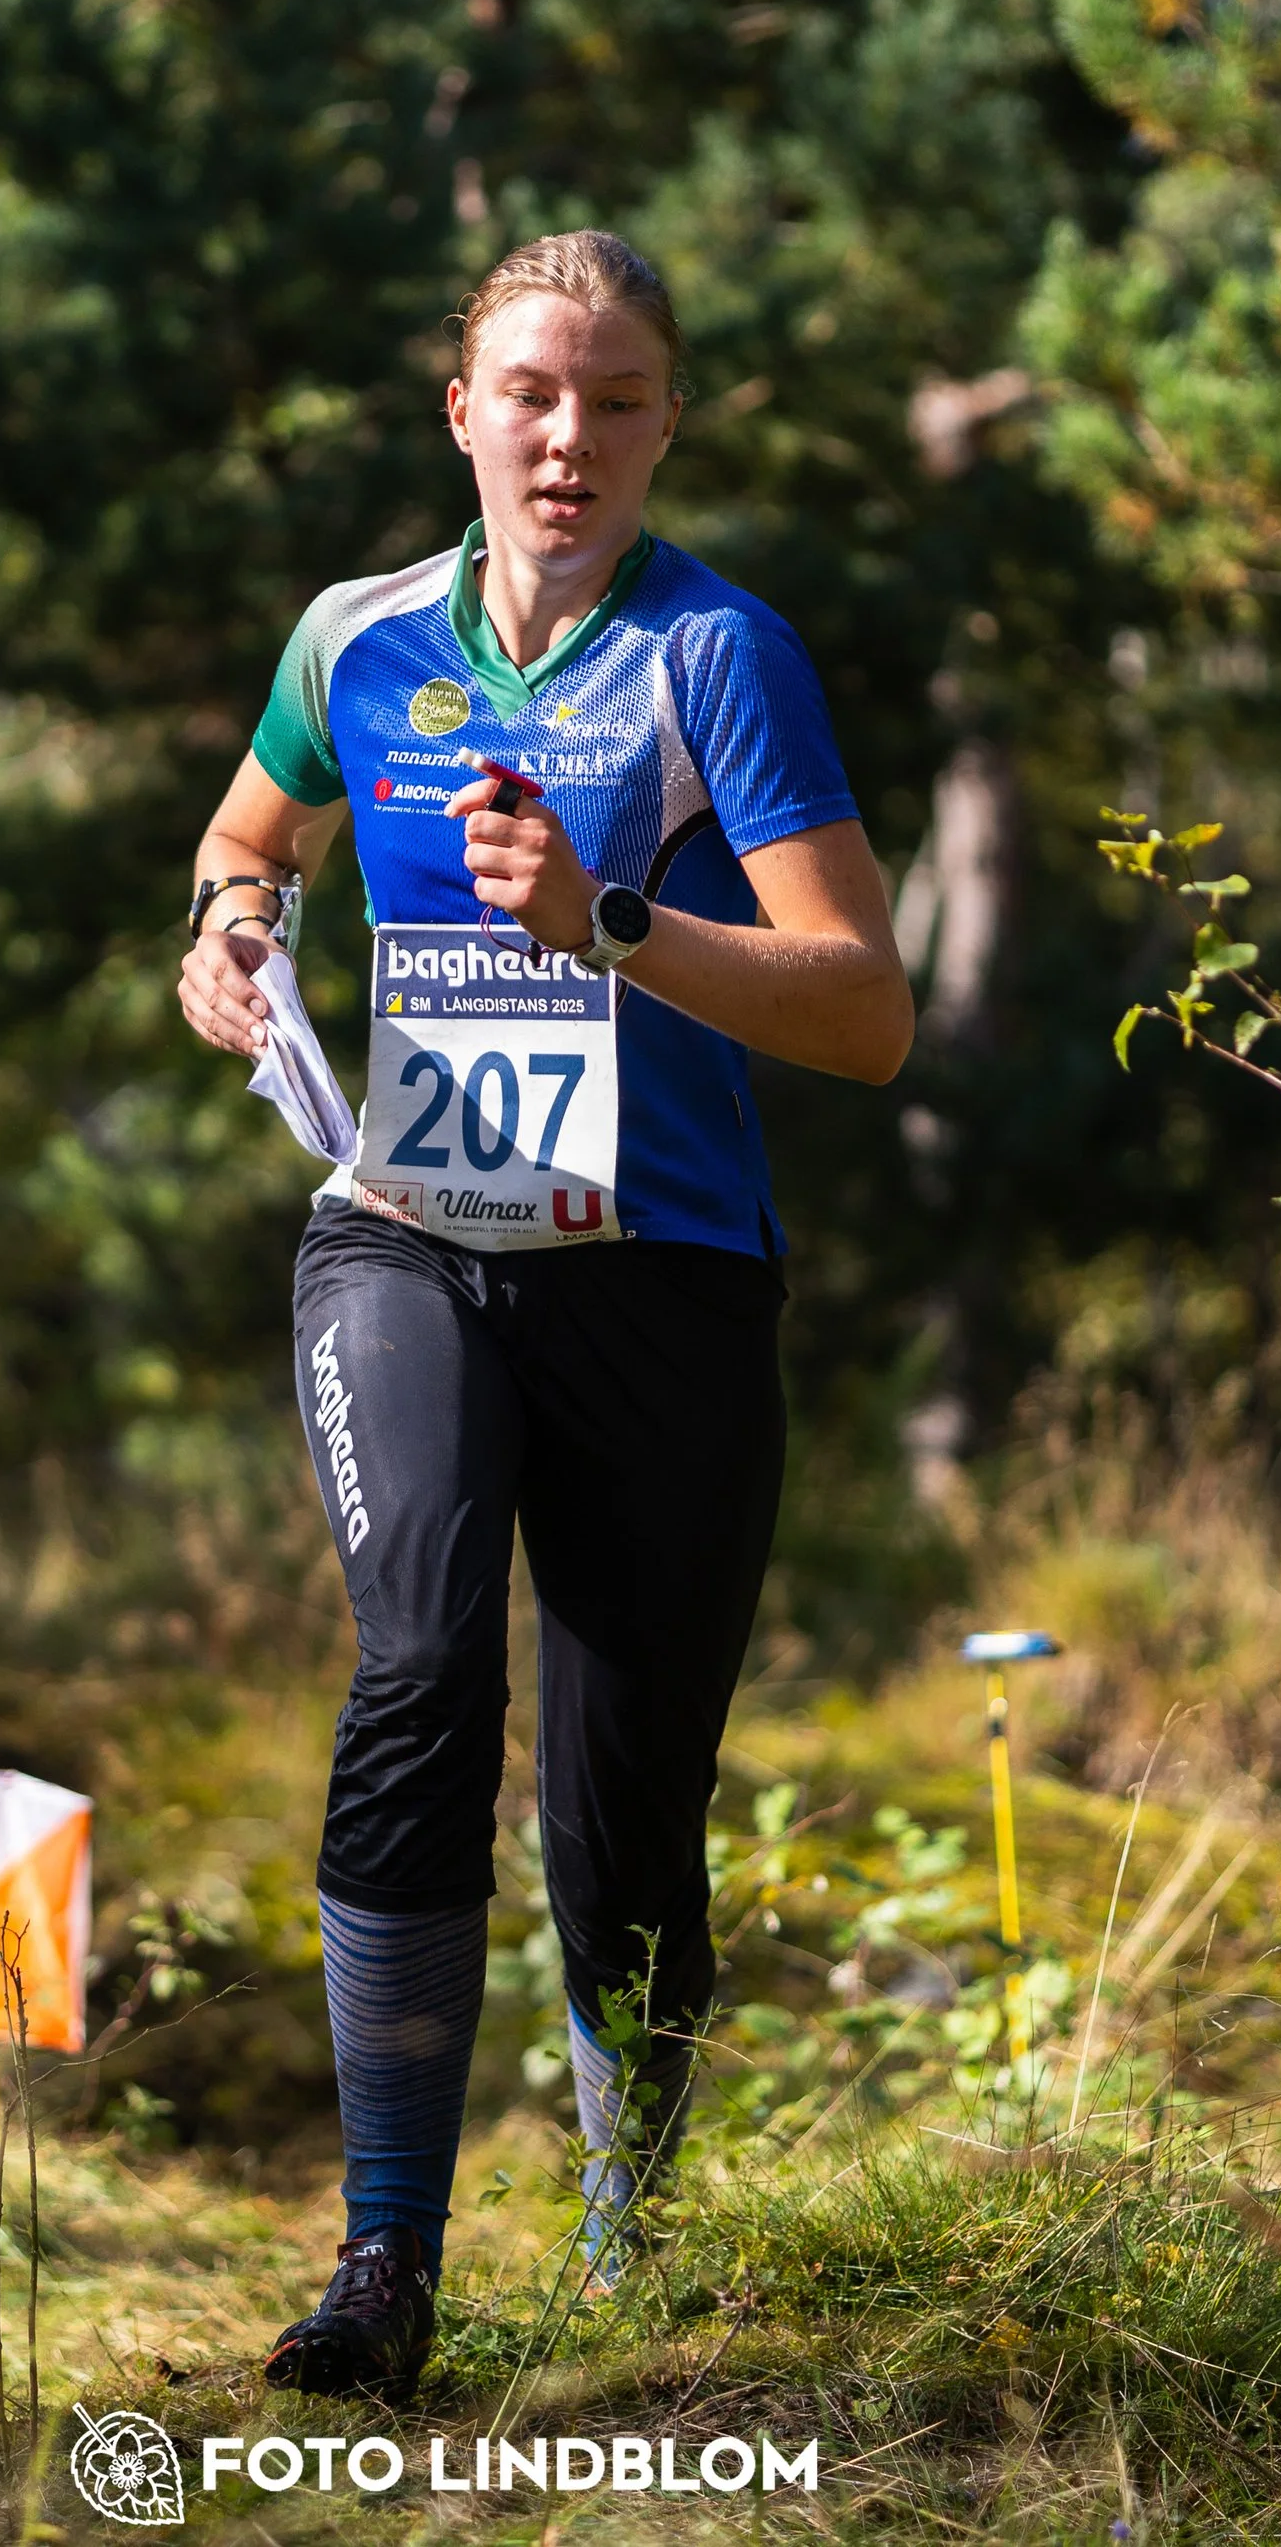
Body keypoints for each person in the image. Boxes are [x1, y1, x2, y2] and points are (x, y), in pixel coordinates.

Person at [178, 230, 913, 2391]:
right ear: (462, 412)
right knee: (417, 1665)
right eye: (529, 390)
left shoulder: (715, 656)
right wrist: (227, 933)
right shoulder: (356, 636)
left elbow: (863, 1009)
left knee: (622, 1809)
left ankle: (625, 2257)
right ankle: (383, 2263)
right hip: (404, 1232)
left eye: (613, 397)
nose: (567, 435)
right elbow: (246, 836)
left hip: (662, 1276)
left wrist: (610, 922)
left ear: (667, 423)